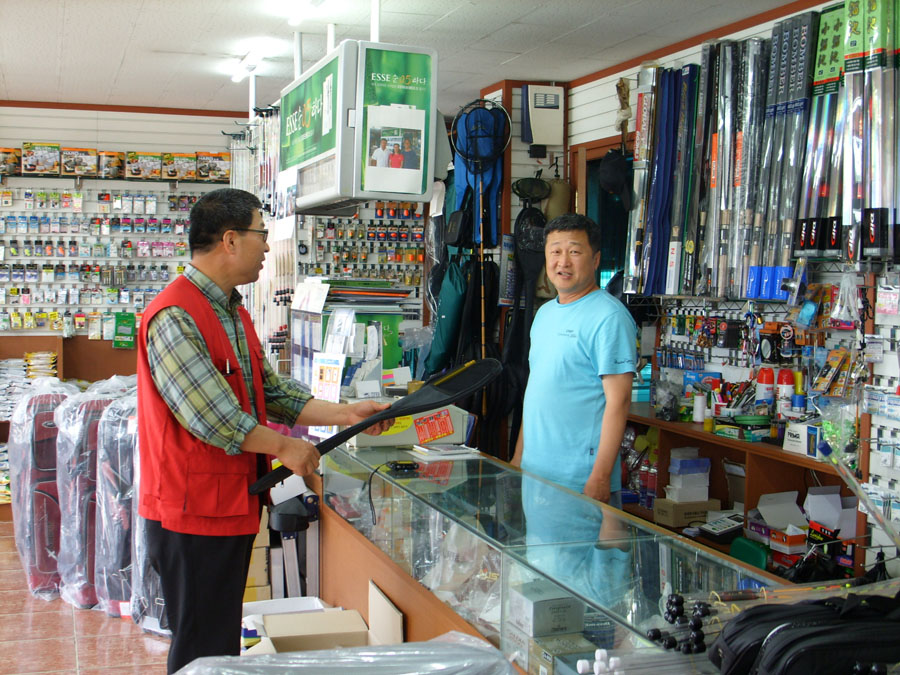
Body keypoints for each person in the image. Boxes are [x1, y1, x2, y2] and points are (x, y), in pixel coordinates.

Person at [136, 188, 393, 673]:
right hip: (191, 514)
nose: (268, 246)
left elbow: (270, 392)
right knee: (201, 647)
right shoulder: (175, 316)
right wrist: (284, 447)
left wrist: (347, 414)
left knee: (218, 640)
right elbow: (213, 417)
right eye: (262, 233)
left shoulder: (231, 311)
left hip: (228, 503)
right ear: (230, 240)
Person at [511, 213, 636, 507]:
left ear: (596, 260)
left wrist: (601, 476)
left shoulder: (609, 317)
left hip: (581, 479)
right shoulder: (545, 314)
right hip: (536, 473)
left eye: (575, 252)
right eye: (555, 251)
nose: (563, 262)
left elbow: (619, 401)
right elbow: (537, 392)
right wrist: (518, 457)